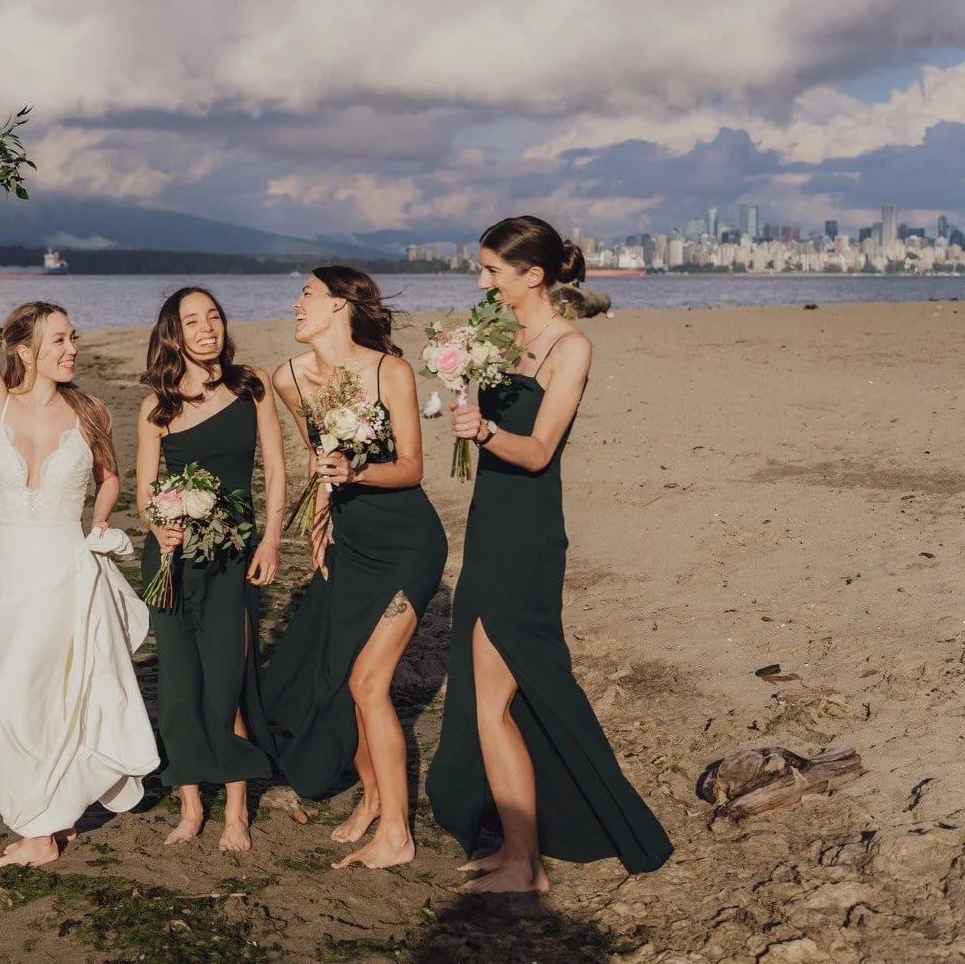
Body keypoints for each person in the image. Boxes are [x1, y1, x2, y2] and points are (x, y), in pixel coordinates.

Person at [426, 216, 673, 892]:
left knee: (492, 700)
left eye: (492, 272)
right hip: (488, 525)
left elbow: (536, 452)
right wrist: (454, 385)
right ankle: (517, 850)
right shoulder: (496, 339)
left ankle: (526, 864)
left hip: (528, 535)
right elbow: (465, 411)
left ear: (532, 275)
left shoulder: (572, 347)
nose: (482, 283)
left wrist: (483, 430)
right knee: (498, 696)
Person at [0, 200, 158, 870]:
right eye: (58, 340)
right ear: (22, 349)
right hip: (3, 570)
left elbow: (111, 479)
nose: (72, 349)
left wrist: (97, 520)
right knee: (1, 697)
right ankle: (45, 815)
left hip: (64, 567)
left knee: (53, 690)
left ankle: (39, 830)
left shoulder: (88, 412)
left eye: (73, 338)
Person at [262, 266, 446, 870]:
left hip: (407, 545)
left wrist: (355, 473)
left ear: (340, 305)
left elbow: (413, 468)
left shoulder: (390, 371)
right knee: (348, 680)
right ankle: (371, 799)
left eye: (307, 295)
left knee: (370, 682)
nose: (295, 304)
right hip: (349, 545)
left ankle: (397, 833)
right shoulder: (287, 379)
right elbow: (319, 462)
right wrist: (321, 522)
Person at [135, 287, 285, 851]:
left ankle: (237, 813)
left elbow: (274, 468)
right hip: (172, 560)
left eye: (214, 316)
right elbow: (146, 487)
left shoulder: (251, 384)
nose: (207, 328)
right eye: (192, 321)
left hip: (233, 556)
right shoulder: (159, 406)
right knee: (179, 683)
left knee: (227, 677)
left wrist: (270, 540)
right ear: (173, 334)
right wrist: (158, 526)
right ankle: (192, 805)